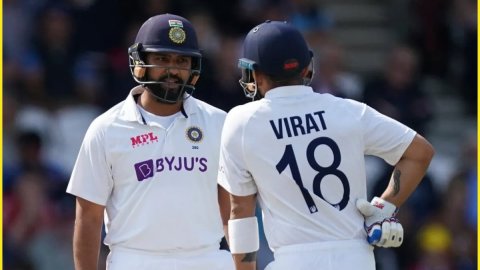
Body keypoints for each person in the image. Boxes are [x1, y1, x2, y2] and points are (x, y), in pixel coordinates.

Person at [218, 20, 435, 270]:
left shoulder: (242, 121)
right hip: (356, 259)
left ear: (254, 73)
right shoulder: (347, 110)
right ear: (307, 67)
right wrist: (383, 207)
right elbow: (420, 152)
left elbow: (241, 212)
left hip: (294, 261)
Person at [66, 14, 234, 270]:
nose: (172, 70)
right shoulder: (106, 128)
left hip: (207, 258)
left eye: (181, 61)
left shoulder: (219, 123)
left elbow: (232, 210)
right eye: (162, 59)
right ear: (140, 63)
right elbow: (88, 218)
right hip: (134, 260)